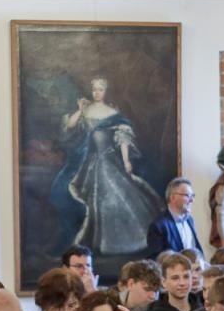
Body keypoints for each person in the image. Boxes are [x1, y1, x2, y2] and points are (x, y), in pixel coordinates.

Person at [57, 76, 165, 253]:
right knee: (89, 198)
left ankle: (119, 242)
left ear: (106, 91)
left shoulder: (113, 113)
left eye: (100, 89)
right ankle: (95, 242)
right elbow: (70, 125)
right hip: (89, 160)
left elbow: (122, 138)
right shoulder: (86, 110)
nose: (97, 93)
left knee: (116, 195)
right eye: (94, 89)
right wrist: (80, 109)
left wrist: (126, 160)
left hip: (109, 160)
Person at [145, 177, 205, 258]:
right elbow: (157, 260)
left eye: (192, 196)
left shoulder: (190, 220)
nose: (192, 200)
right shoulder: (158, 226)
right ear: (173, 198)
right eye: (187, 195)